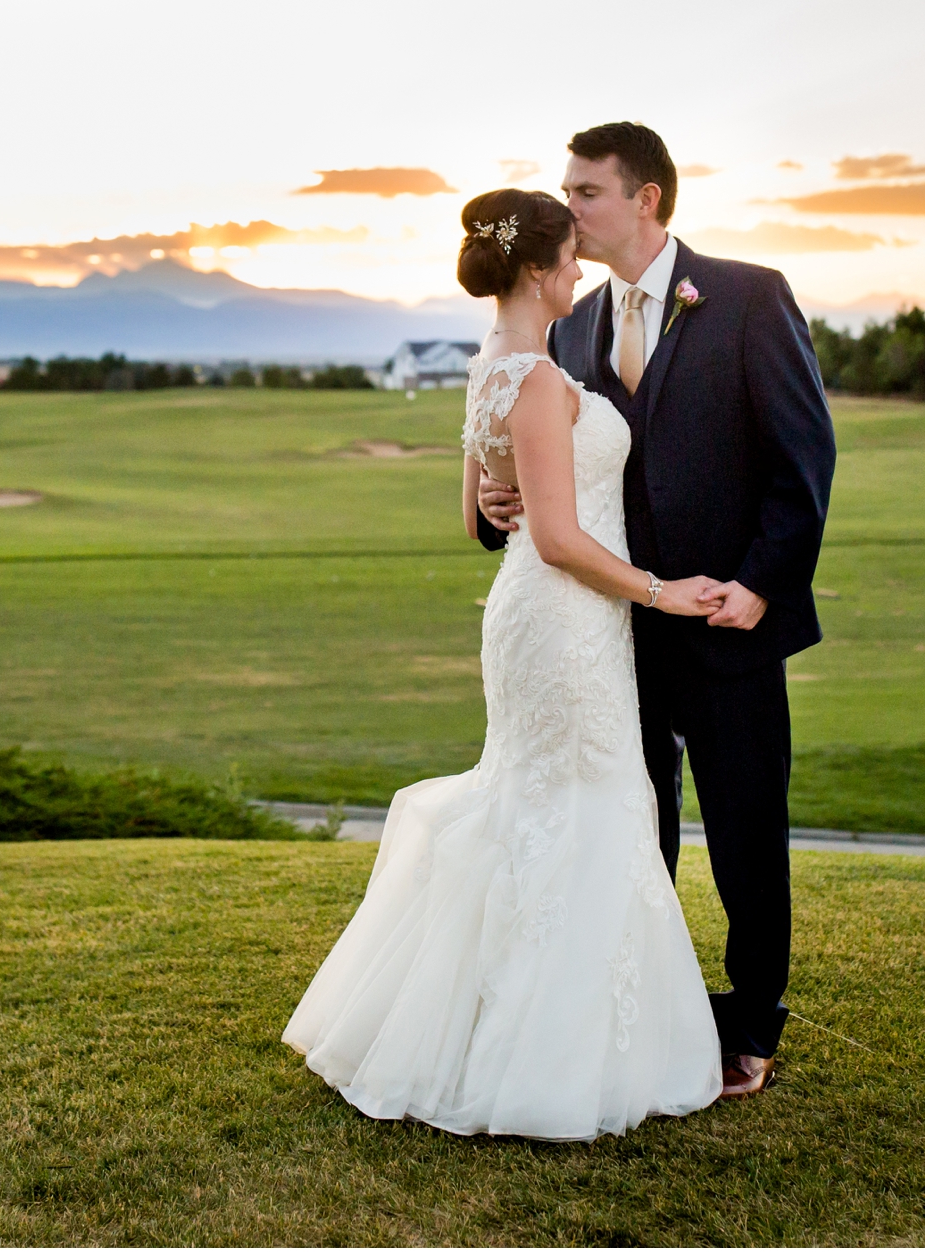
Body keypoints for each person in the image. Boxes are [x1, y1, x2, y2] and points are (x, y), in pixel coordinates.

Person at [282, 185, 728, 1140]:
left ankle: (506, 1026)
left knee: (543, 800)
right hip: (565, 617)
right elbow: (559, 538)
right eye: (569, 257)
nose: (579, 271)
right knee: (582, 804)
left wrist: (494, 498)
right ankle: (540, 1059)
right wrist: (664, 591)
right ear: (537, 268)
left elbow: (483, 507)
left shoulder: (492, 366)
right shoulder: (531, 376)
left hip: (546, 617)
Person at [475, 122, 838, 1099]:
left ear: (647, 200)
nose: (570, 209)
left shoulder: (750, 296)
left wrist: (759, 586)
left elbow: (804, 460)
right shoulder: (574, 325)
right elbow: (539, 464)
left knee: (747, 829)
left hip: (728, 618)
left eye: (586, 191)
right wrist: (492, 501)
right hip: (609, 630)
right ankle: (651, 1012)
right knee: (633, 827)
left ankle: (752, 1024)